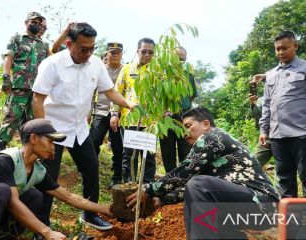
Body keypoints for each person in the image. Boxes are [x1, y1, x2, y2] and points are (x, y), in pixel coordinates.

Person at [32, 22, 135, 230]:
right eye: (83, 49)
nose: (88, 53)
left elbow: (110, 91)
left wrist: (128, 104)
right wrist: (43, 132)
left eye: (92, 48)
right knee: (49, 177)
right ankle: (41, 223)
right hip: (53, 129)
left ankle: (89, 214)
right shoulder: (52, 64)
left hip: (79, 129)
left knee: (91, 169)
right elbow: (37, 99)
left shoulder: (96, 64)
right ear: (69, 44)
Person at [127, 107, 279, 240]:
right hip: (247, 205)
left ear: (206, 124)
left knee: (198, 185)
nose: (184, 132)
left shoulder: (213, 137)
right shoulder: (209, 155)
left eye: (188, 126)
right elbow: (190, 189)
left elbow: (185, 171)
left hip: (262, 204)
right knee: (197, 189)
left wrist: (149, 190)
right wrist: (163, 199)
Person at [0, 119, 113, 240]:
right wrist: (47, 232)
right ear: (34, 139)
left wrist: (105, 209)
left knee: (35, 196)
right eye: (50, 141)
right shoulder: (5, 160)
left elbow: (69, 197)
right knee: (2, 190)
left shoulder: (38, 170)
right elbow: (12, 202)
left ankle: (5, 237)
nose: (53, 147)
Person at [259, 30, 306, 198]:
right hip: (278, 136)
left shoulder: (304, 68)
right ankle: (291, 221)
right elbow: (266, 104)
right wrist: (263, 130)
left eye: (284, 48)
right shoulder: (270, 75)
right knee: (284, 180)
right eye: (277, 49)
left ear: (295, 46)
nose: (280, 52)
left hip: (302, 134)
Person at [0, 12, 49, 151]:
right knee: (12, 117)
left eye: (39, 23)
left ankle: (27, 150)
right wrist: (6, 79)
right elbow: (8, 59)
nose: (36, 25)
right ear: (26, 22)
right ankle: (1, 147)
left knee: (32, 121)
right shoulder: (17, 38)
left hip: (37, 89)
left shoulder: (43, 45)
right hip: (19, 85)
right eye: (33, 22)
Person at [110, 37, 156, 183]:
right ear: (137, 51)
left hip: (150, 122)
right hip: (129, 119)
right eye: (144, 52)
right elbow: (117, 92)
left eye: (151, 52)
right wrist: (114, 114)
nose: (147, 55)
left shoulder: (157, 71)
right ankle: (129, 185)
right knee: (129, 155)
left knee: (148, 156)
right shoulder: (127, 68)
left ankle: (147, 188)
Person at [90, 42, 124, 188]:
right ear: (107, 54)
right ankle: (90, 170)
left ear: (122, 54)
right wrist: (88, 110)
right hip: (101, 111)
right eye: (112, 52)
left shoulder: (126, 70)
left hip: (121, 114)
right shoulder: (99, 69)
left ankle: (117, 176)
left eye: (118, 52)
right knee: (93, 141)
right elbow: (91, 91)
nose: (115, 55)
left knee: (118, 147)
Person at [159, 46, 198, 173]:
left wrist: (183, 109)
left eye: (183, 60)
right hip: (165, 118)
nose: (180, 63)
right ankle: (169, 180)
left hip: (184, 117)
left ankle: (184, 180)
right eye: (178, 59)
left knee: (185, 150)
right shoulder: (161, 75)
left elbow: (191, 95)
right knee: (167, 151)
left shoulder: (188, 75)